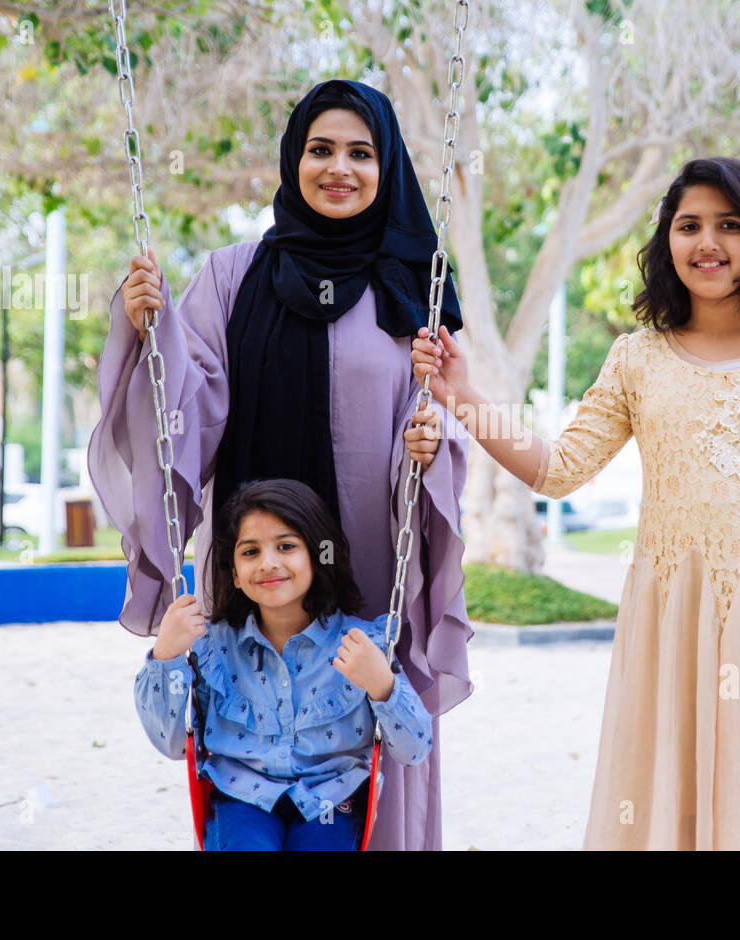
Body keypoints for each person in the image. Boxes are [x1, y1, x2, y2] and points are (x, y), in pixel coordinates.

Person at [412, 156, 740, 850]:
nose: (706, 242)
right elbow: (559, 468)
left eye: (729, 226)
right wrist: (463, 398)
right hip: (671, 621)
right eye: (688, 226)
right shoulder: (638, 359)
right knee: (674, 802)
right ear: (667, 243)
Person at [88, 79, 471, 851]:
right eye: (319, 149)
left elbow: (438, 417)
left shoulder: (409, 291)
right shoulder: (231, 277)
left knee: (371, 738)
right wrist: (148, 329)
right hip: (254, 558)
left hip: (365, 557)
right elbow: (184, 401)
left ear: (385, 166)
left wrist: (433, 446)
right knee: (249, 758)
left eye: (361, 153)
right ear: (293, 160)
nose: (340, 168)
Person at [135, 479, 432, 851]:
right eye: (250, 552)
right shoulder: (212, 648)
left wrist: (382, 685)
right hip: (242, 798)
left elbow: (414, 749)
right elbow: (172, 743)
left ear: (319, 555)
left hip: (330, 801)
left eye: (287, 546)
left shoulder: (363, 646)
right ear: (236, 574)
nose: (268, 563)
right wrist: (165, 656)